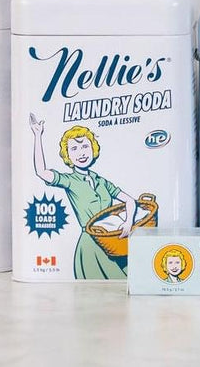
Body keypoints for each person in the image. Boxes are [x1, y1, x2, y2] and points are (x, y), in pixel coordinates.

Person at [29, 114, 140, 279]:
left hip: (114, 241)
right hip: (92, 247)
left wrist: (128, 222)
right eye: (74, 149)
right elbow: (42, 172)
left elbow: (130, 201)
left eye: (85, 147)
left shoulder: (101, 181)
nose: (81, 153)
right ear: (68, 156)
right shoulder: (70, 181)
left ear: (92, 149)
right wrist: (38, 135)